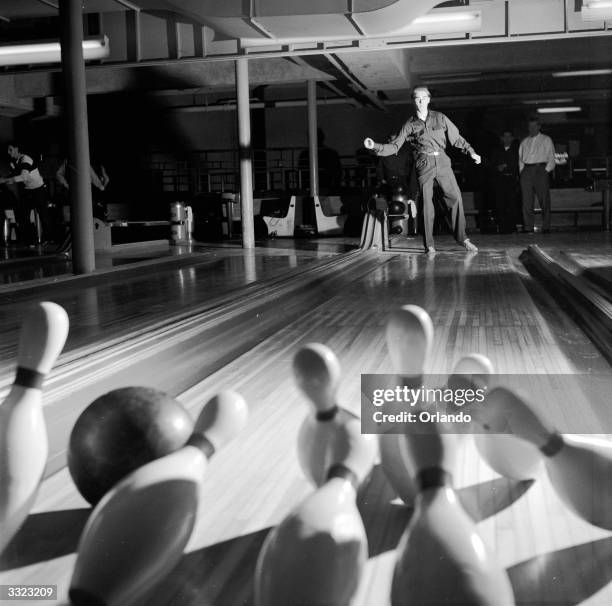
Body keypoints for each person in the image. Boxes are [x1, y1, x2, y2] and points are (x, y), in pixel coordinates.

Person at [364, 86, 480, 254]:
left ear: (428, 99)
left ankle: (463, 239)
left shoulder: (440, 118)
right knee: (426, 203)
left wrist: (471, 152)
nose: (420, 101)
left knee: (455, 198)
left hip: (442, 160)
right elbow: (395, 145)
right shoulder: (410, 124)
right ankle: (429, 244)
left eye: (423, 98)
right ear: (414, 101)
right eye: (417, 98)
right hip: (423, 162)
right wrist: (375, 146)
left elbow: (456, 138)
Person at [0, 142, 54, 246]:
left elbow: (23, 177)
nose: (8, 152)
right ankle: (28, 240)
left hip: (39, 190)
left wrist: (7, 180)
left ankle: (49, 239)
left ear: (17, 149)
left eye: (10, 149)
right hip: (28, 190)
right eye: (8, 150)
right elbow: (14, 175)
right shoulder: (14, 162)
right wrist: (5, 179)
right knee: (23, 215)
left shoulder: (26, 159)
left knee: (43, 215)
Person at [518, 118, 556, 233]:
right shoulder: (524, 141)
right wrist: (522, 171)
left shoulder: (546, 139)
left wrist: (546, 170)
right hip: (527, 170)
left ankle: (546, 226)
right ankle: (528, 226)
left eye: (534, 126)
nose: (532, 129)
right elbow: (520, 158)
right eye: (530, 126)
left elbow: (551, 156)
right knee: (526, 201)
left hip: (540, 169)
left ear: (539, 126)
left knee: (544, 199)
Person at [490, 129, 520, 233]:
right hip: (500, 180)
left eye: (509, 136)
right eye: (505, 136)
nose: (507, 139)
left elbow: (519, 165)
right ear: (501, 138)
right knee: (500, 204)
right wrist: (497, 168)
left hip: (512, 180)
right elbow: (491, 165)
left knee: (512, 204)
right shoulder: (496, 150)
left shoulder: (517, 150)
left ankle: (513, 227)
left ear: (512, 138)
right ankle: (502, 227)